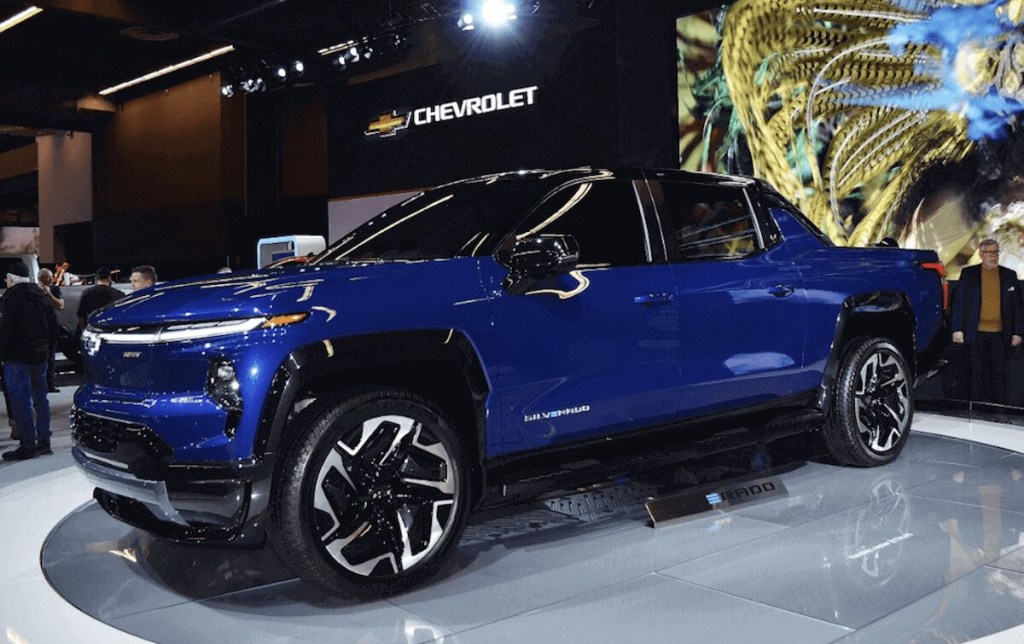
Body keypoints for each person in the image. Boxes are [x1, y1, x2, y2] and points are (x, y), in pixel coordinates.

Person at [951, 239, 1024, 404]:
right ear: (981, 254)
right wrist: (957, 329)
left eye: (996, 252)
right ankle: (976, 411)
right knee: (976, 374)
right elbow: (959, 303)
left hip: (1000, 334)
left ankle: (999, 411)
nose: (993, 256)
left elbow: (1017, 308)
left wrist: (1018, 332)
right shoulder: (969, 274)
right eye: (989, 253)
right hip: (975, 333)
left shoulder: (1009, 275)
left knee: (999, 375)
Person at [0, 261, 58, 461]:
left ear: (12, 279)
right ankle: (44, 441)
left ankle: (27, 444)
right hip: (40, 356)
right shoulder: (40, 295)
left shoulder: (11, 298)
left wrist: (3, 354)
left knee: (21, 402)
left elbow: (6, 330)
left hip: (17, 358)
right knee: (40, 399)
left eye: (7, 279)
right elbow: (53, 326)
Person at [37, 268, 64, 393]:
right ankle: (39, 384)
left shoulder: (54, 289)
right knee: (39, 358)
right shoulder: (34, 290)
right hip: (38, 328)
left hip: (51, 328)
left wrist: (49, 294)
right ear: (41, 278)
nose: (52, 279)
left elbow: (60, 306)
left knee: (51, 358)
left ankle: (50, 384)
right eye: (49, 277)